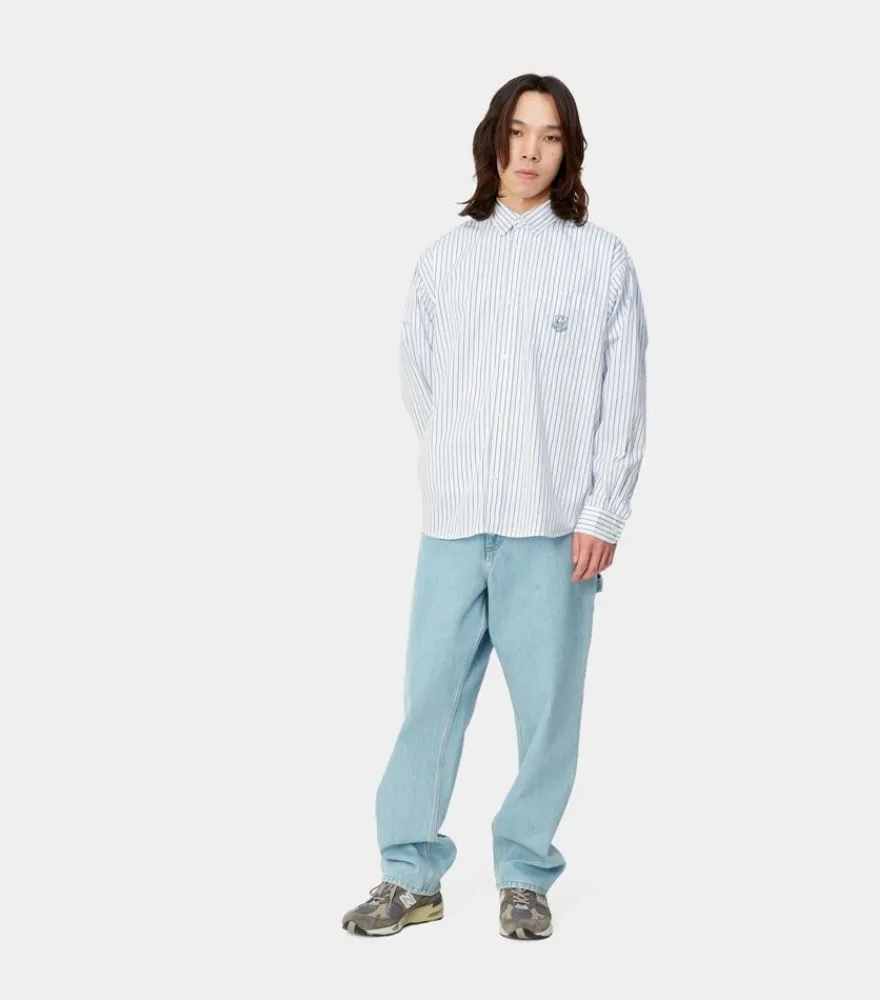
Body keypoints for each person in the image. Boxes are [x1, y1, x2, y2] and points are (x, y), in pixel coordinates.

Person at [341, 73, 648, 940]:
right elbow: (420, 380)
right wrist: (458, 461)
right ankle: (410, 875)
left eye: (550, 136)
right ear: (493, 139)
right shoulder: (446, 259)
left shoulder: (599, 259)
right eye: (518, 131)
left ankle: (525, 873)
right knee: (428, 703)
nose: (530, 150)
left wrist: (604, 511)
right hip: (453, 521)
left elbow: (623, 394)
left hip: (552, 528)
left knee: (548, 713)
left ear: (568, 150)